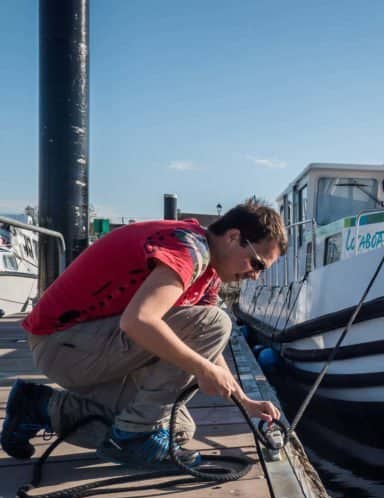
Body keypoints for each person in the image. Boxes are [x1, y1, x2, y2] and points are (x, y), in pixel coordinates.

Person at [1, 198, 286, 469]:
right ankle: (136, 435)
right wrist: (203, 370)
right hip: (61, 344)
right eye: (256, 263)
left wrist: (244, 401)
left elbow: (205, 346)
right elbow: (139, 321)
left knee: (179, 430)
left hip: (86, 347)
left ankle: (39, 407)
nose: (255, 275)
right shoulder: (190, 249)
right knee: (217, 322)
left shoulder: (208, 272)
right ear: (233, 237)